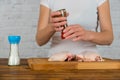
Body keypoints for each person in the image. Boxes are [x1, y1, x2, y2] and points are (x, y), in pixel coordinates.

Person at [36, 0, 113, 57]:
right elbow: (39, 40)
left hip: (89, 60)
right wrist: (51, 27)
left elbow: (109, 37)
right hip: (57, 61)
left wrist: (88, 34)